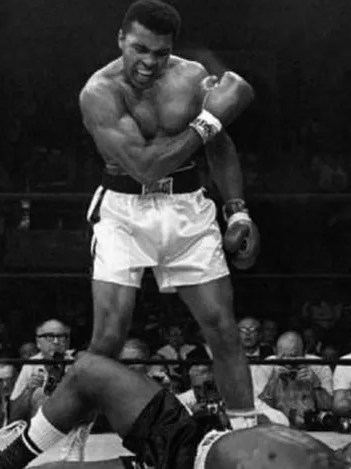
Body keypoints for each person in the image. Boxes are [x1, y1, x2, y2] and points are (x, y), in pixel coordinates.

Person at [78, 0, 260, 445]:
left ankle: (247, 441)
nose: (149, 62)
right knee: (107, 339)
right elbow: (145, 167)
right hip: (124, 210)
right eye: (139, 49)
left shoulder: (192, 76)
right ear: (121, 39)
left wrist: (237, 210)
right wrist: (210, 119)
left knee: (223, 328)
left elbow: (219, 146)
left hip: (187, 207)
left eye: (160, 53)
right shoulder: (99, 92)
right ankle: (70, 439)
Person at [0, 351, 351, 469]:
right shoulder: (325, 457)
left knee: (89, 371)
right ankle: (6, 463)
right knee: (89, 371)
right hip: (189, 438)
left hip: (180, 455)